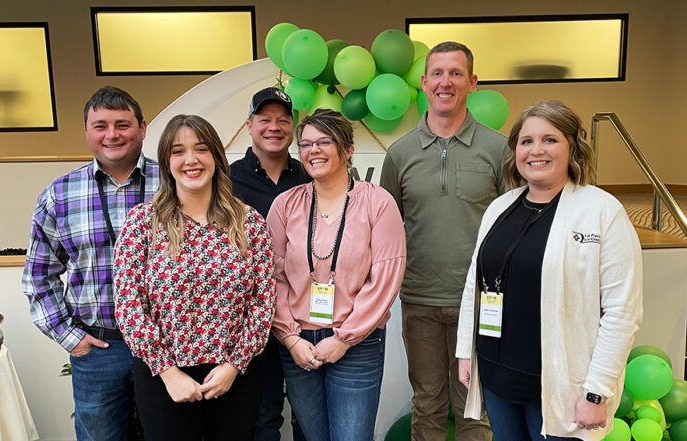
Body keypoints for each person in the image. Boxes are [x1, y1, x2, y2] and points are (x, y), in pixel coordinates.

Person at [455, 100, 643, 441]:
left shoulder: (602, 211)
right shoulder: (501, 207)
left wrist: (596, 391)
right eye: (526, 141)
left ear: (572, 147)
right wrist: (466, 352)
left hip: (563, 389)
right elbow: (475, 285)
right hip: (498, 380)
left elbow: (622, 313)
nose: (536, 150)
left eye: (550, 139)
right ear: (515, 152)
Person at [113, 114, 275, 441]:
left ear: (216, 156)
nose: (191, 160)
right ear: (166, 162)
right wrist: (168, 373)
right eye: (178, 151)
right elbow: (129, 306)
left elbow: (263, 303)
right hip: (163, 379)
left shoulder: (249, 223)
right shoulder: (144, 223)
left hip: (233, 377)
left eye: (201, 148)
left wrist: (234, 364)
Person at [379, 41, 504, 441]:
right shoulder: (399, 155)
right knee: (428, 404)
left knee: (474, 408)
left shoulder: (499, 150)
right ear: (423, 82)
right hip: (420, 301)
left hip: (482, 301)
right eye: (437, 73)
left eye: (455, 73)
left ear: (472, 82)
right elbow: (388, 231)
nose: (445, 82)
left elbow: (512, 227)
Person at [22, 86, 158, 441]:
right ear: (86, 132)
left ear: (142, 128)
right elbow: (39, 276)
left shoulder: (174, 184)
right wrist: (71, 338)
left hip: (166, 344)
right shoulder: (60, 195)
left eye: (122, 124)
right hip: (100, 348)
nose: (112, 134)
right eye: (100, 126)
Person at [267, 109, 406, 441]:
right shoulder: (285, 205)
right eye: (306, 144)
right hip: (298, 344)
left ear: (348, 150)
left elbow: (386, 275)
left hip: (357, 344)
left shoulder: (378, 202)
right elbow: (272, 277)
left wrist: (344, 338)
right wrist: (289, 338)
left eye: (324, 141)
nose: (313, 150)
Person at [230, 87, 310, 441]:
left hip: (304, 314)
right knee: (263, 416)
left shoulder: (311, 176)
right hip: (250, 320)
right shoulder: (226, 180)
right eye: (265, 119)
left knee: (309, 416)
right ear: (249, 125)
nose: (274, 127)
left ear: (292, 127)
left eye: (283, 120)